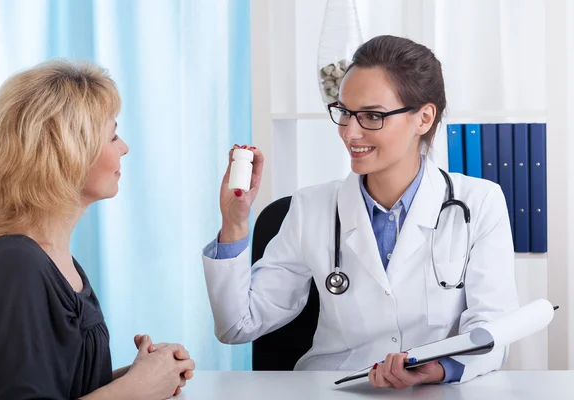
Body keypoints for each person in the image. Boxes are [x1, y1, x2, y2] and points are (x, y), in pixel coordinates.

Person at [202, 35, 519, 388]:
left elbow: (493, 331)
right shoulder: (311, 208)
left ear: (424, 118)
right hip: (333, 388)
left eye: (372, 116)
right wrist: (234, 222)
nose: (350, 132)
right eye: (344, 112)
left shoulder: (480, 203)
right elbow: (237, 326)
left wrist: (442, 369)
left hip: (433, 392)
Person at [0, 60, 195, 399]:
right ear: (68, 153)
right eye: (113, 135)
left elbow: (59, 383)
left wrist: (146, 376)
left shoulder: (52, 259)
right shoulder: (15, 265)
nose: (124, 147)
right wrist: (136, 389)